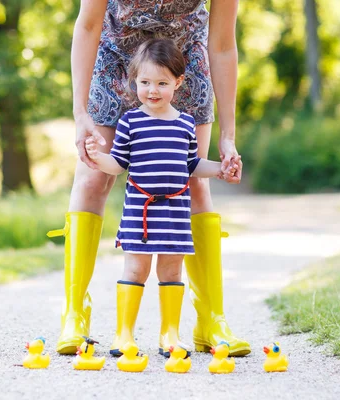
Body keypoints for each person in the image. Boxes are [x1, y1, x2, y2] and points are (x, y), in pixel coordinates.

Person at [49, 0, 251, 357]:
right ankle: (74, 315)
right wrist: (80, 112)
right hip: (116, 60)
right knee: (93, 177)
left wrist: (228, 135)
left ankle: (211, 321)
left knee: (192, 180)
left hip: (181, 65)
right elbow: (87, 25)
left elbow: (221, 44)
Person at [84, 38, 240, 357]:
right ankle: (124, 335)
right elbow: (118, 163)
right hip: (139, 213)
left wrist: (221, 169)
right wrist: (97, 158)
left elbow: (192, 165)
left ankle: (169, 334)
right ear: (134, 81)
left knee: (171, 272)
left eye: (161, 83)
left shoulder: (185, 125)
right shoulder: (130, 122)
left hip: (175, 213)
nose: (152, 90)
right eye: (144, 82)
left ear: (178, 83)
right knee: (135, 270)